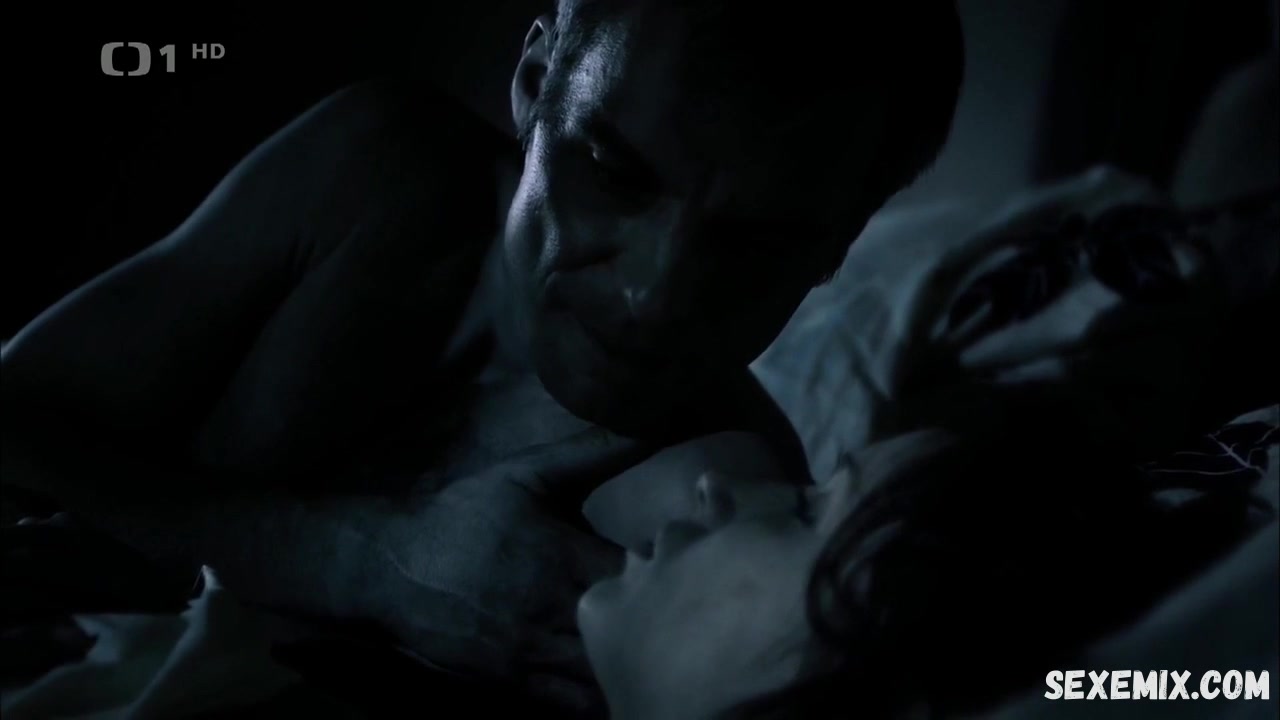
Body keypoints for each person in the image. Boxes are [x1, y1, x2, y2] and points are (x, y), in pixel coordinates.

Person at [0, 0, 966, 710]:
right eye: (613, 173)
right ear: (536, 84)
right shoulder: (375, 174)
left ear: (837, 244)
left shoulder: (714, 510)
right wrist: (356, 564)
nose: (654, 294)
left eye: (755, 242)